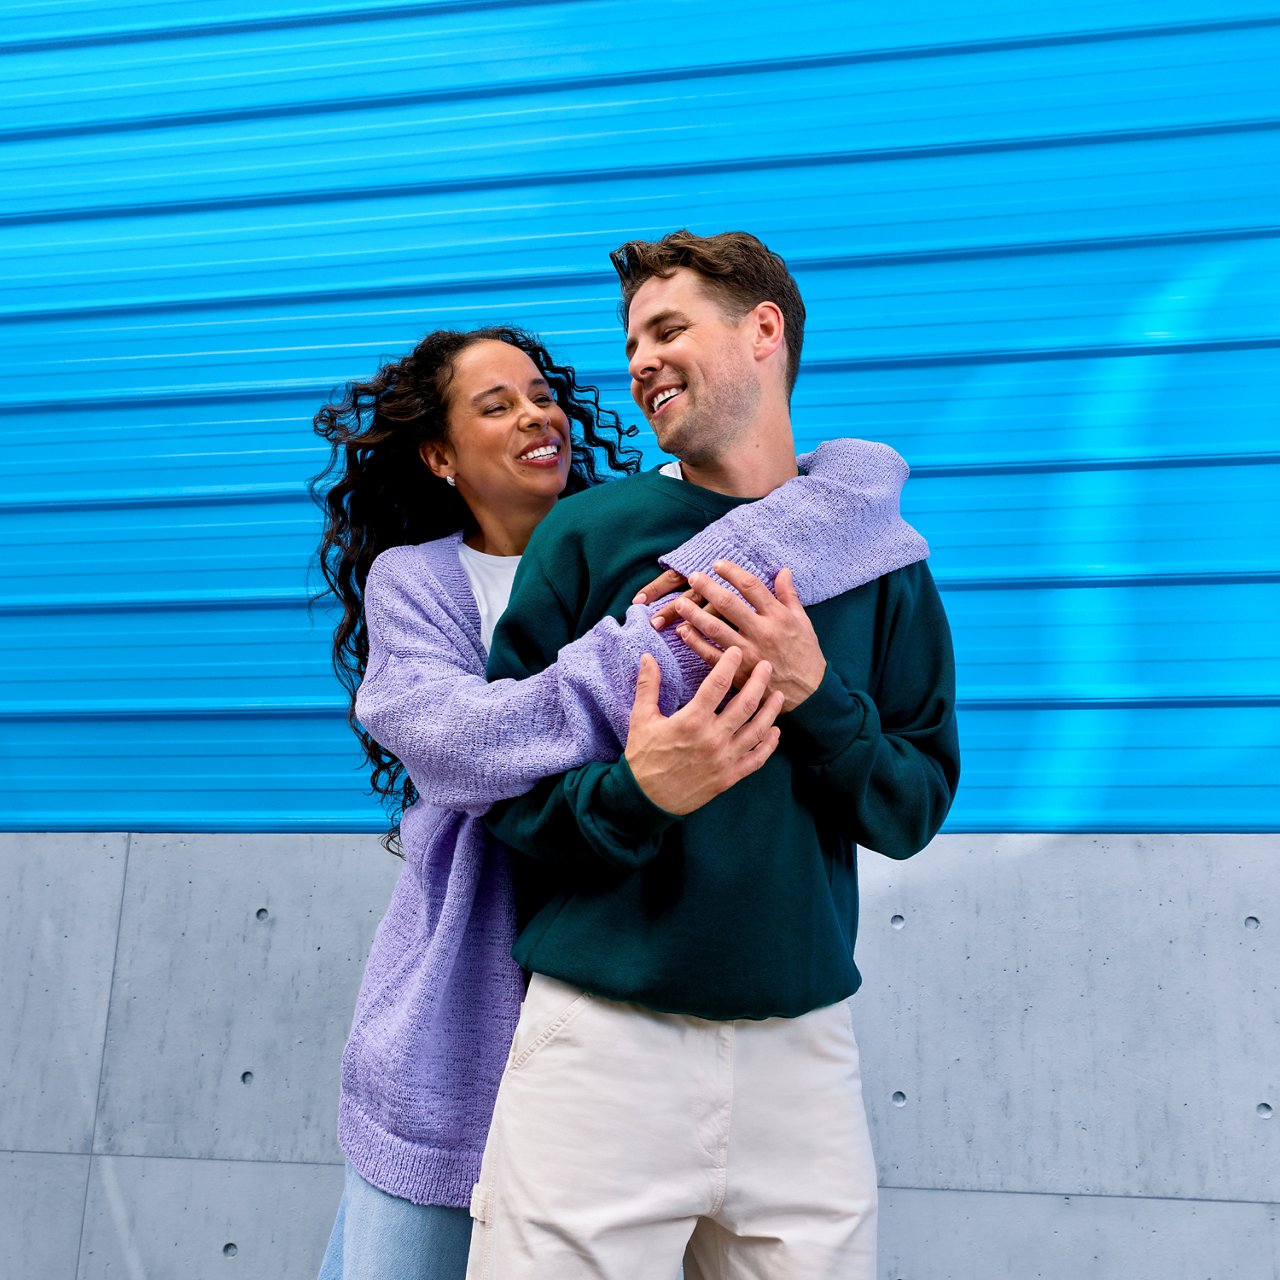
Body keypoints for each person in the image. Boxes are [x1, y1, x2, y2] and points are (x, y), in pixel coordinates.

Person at [310, 323, 931, 1280]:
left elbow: (827, 505)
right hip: (469, 981)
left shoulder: (642, 543)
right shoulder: (425, 581)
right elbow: (454, 742)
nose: (537, 416)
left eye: (542, 395)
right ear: (439, 456)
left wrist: (866, 468)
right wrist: (642, 659)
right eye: (497, 406)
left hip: (627, 979)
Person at [470, 232, 962, 1280]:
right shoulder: (590, 535)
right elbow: (501, 790)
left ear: (763, 330)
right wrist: (642, 791)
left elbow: (911, 805)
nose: (640, 361)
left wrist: (814, 695)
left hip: (802, 1058)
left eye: (667, 329)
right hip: (603, 1043)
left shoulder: (883, 562)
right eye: (630, 343)